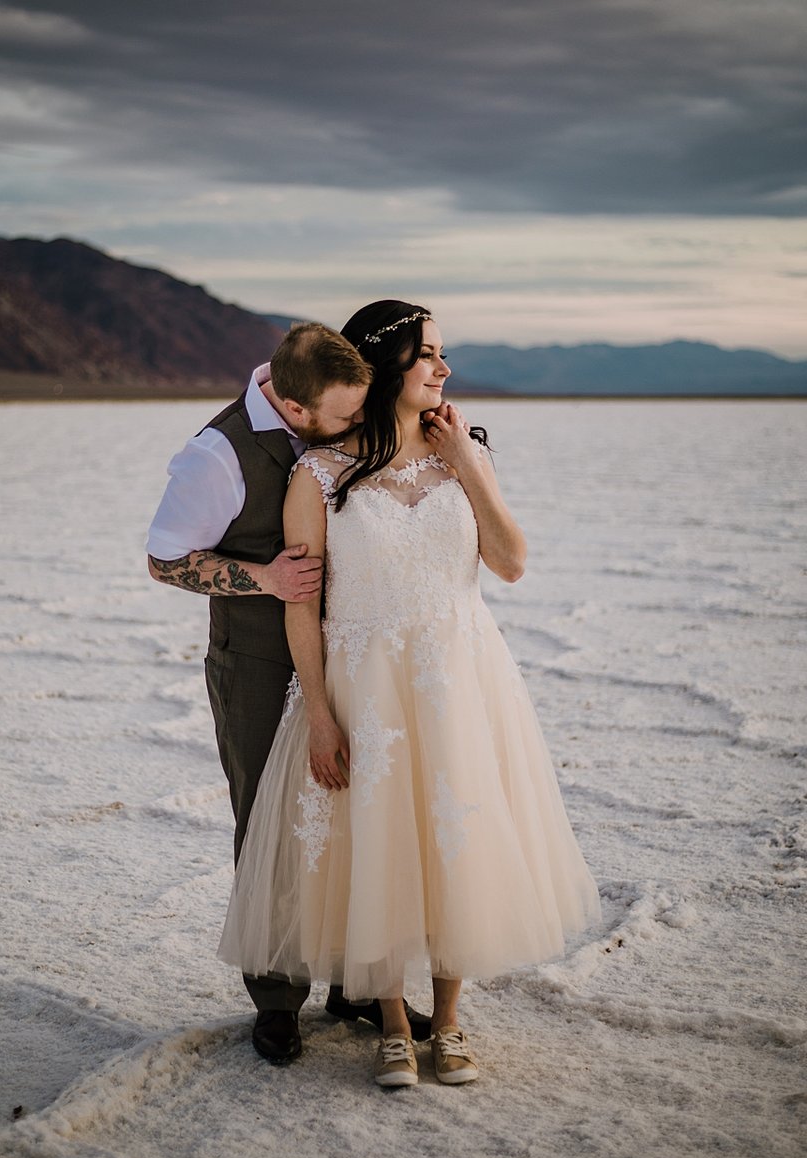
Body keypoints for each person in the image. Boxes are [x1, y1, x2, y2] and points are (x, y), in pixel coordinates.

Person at [219, 300, 602, 1088]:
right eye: (428, 354)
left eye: (443, 354)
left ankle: (450, 1019)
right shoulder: (319, 473)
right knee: (378, 842)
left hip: (461, 677)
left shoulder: (463, 451)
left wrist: (464, 461)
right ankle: (392, 1020)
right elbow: (302, 605)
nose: (443, 368)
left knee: (456, 838)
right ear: (389, 366)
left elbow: (511, 563)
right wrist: (320, 714)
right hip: (365, 684)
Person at [147, 322, 432, 1064]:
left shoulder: (335, 395)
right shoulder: (217, 455)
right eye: (343, 420)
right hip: (256, 663)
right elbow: (164, 559)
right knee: (270, 821)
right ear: (299, 412)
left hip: (352, 652)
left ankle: (359, 981)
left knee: (354, 814)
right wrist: (263, 579)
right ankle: (276, 1000)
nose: (356, 427)